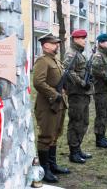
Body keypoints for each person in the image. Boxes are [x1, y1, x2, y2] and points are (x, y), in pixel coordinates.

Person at [33, 33, 70, 183]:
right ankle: (44, 169)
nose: (57, 45)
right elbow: (38, 82)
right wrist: (54, 95)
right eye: (54, 43)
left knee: (55, 135)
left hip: (59, 104)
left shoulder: (55, 60)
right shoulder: (42, 61)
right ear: (46, 45)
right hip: (48, 105)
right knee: (46, 136)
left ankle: (52, 165)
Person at [64, 29, 93, 164]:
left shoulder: (79, 54)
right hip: (76, 93)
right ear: (75, 39)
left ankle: (78, 148)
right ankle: (73, 152)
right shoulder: (71, 54)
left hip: (83, 94)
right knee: (76, 122)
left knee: (84, 122)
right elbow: (69, 71)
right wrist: (82, 83)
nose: (84, 40)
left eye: (85, 38)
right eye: (82, 38)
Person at [91, 33, 107, 148]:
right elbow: (96, 70)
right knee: (101, 115)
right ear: (101, 43)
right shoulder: (98, 56)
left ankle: (103, 135)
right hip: (101, 90)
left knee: (106, 114)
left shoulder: (106, 55)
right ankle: (99, 139)